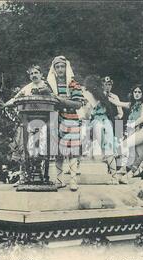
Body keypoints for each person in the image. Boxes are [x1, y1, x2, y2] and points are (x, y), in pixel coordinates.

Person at [47, 56, 85, 191]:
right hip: (55, 119)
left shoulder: (73, 84)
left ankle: (73, 181)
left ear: (66, 67)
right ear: (54, 69)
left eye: (62, 66)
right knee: (58, 151)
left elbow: (78, 104)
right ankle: (59, 180)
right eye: (57, 67)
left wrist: (59, 100)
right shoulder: (50, 85)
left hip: (71, 118)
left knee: (72, 151)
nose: (60, 69)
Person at [84, 75, 120, 184]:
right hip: (106, 121)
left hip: (98, 121)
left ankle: (114, 176)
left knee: (105, 147)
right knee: (108, 147)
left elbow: (87, 115)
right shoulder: (102, 96)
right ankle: (115, 177)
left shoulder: (90, 96)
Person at [119, 84, 143, 184]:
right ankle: (131, 174)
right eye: (135, 92)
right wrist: (106, 96)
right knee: (140, 154)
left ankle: (124, 168)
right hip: (136, 130)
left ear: (142, 93)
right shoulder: (134, 105)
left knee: (124, 144)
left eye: (139, 92)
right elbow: (119, 103)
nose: (137, 94)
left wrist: (131, 125)